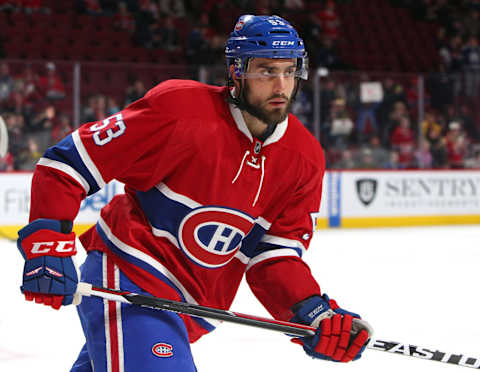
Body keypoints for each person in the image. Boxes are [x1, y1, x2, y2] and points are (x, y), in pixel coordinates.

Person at [16, 15, 372, 372]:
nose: (280, 84)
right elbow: (68, 164)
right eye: (265, 70)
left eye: (289, 70)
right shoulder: (179, 111)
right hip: (130, 274)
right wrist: (47, 240)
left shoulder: (305, 157)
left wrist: (314, 312)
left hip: (191, 310)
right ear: (237, 72)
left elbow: (274, 257)